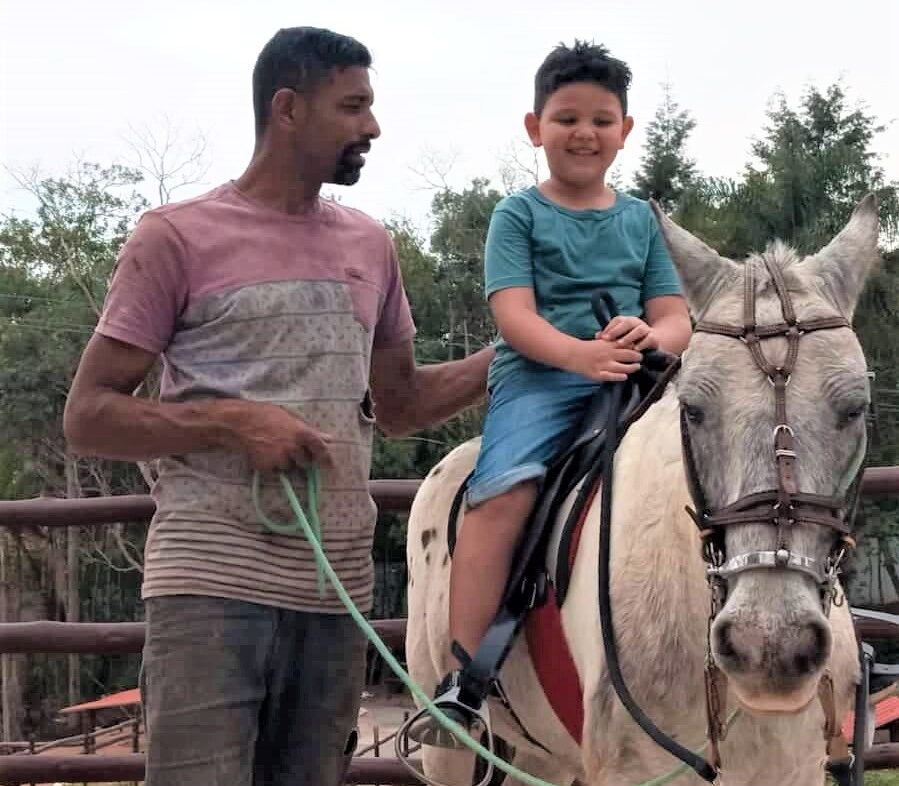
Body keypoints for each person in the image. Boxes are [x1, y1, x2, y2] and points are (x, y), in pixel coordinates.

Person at [63, 26, 492, 786]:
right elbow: (89, 415)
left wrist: (515, 358)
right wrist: (231, 421)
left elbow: (398, 404)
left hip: (336, 593)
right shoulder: (176, 237)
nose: (372, 127)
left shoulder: (370, 245)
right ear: (288, 109)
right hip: (209, 584)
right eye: (352, 106)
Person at [413, 40, 692, 744]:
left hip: (633, 383)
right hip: (538, 383)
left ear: (623, 132)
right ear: (534, 127)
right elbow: (513, 316)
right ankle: (462, 680)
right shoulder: (518, 216)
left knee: (711, 472)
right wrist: (581, 356)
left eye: (601, 120)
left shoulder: (641, 221)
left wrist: (644, 340)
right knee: (499, 495)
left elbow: (675, 317)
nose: (584, 133)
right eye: (566, 118)